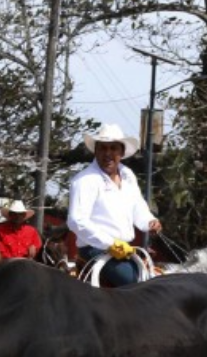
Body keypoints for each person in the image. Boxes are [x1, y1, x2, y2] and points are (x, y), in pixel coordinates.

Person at [68, 122, 163, 286]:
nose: (108, 153)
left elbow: (137, 206)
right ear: (95, 151)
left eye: (113, 148)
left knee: (159, 277)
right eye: (103, 148)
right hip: (95, 249)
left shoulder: (127, 174)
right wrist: (110, 244)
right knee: (136, 284)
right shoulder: (85, 180)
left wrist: (149, 222)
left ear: (122, 152)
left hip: (124, 249)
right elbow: (76, 221)